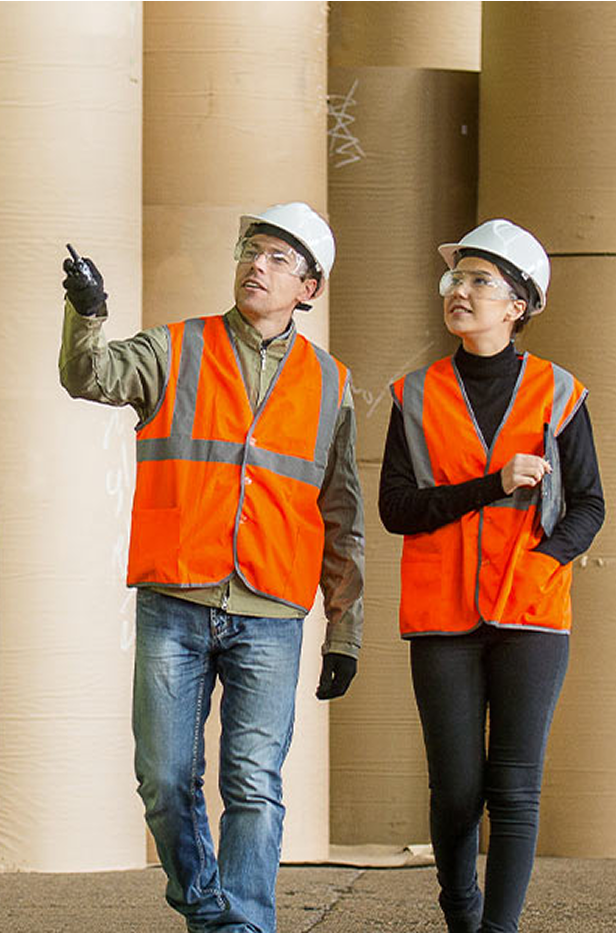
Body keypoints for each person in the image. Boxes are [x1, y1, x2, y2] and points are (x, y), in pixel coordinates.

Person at [58, 202, 365, 933]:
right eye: (251, 250)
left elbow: (342, 513)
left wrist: (345, 631)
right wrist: (87, 312)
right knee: (165, 779)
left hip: (271, 610)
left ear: (309, 288)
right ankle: (207, 906)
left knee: (254, 785)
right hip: (176, 595)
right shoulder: (176, 348)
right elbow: (86, 375)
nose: (257, 265)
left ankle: (245, 925)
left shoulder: (330, 383)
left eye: (279, 258)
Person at [378, 220, 605, 933]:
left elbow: (591, 505)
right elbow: (396, 509)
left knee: (514, 787)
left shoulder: (559, 393)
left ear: (518, 306)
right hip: (442, 616)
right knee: (456, 790)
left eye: (480, 281)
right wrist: (490, 484)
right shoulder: (413, 395)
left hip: (532, 616)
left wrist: (543, 560)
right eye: (456, 279)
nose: (460, 292)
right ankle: (459, 902)